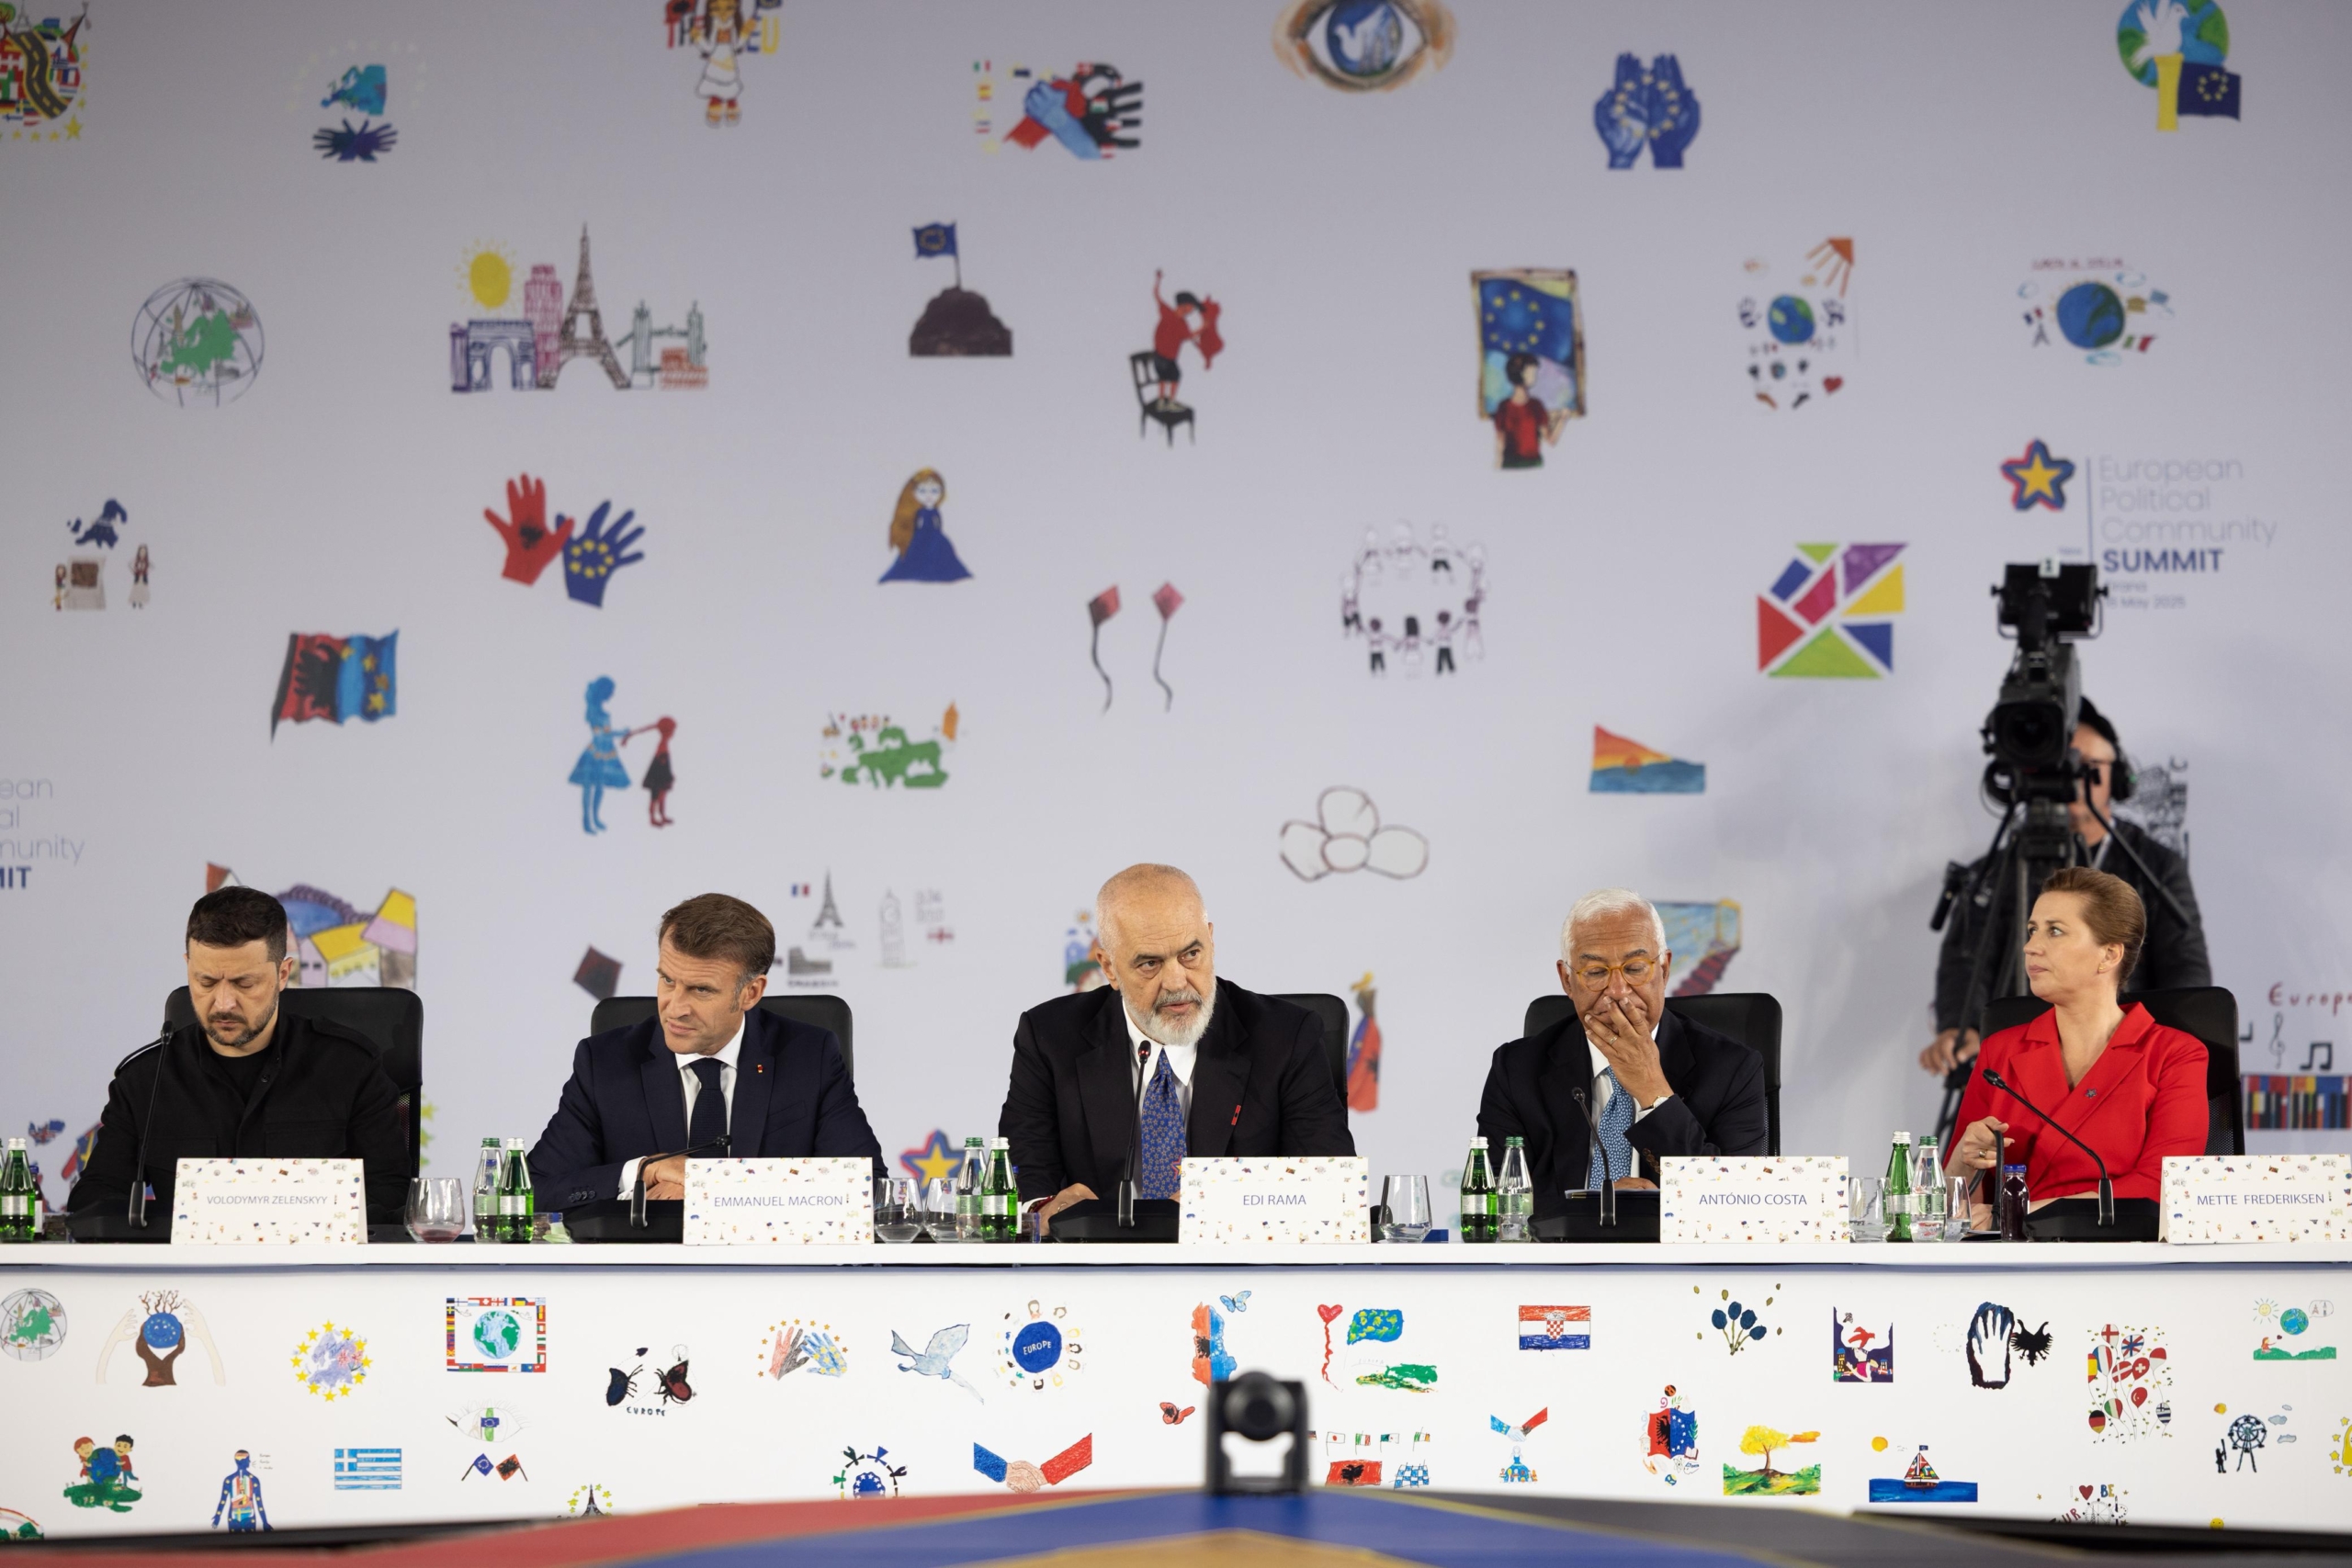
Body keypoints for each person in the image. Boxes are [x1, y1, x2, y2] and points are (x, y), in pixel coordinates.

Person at [1000, 863, 1353, 1228]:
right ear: (1109, 968)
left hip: (1233, 1258)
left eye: (1191, 955)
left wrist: (1226, 1202)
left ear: (1211, 941)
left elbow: (1328, 1189)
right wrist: (1043, 1209)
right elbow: (1024, 1173)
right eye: (1149, 964)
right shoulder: (1050, 1038)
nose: (1176, 981)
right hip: (1097, 1258)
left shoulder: (1286, 1037)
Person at [66, 887, 410, 1226]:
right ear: (188, 968)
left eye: (245, 984)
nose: (224, 1003)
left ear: (282, 975)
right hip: (188, 1262)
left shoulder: (350, 1068)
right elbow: (94, 1200)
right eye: (206, 981)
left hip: (314, 1260)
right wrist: (176, 1225)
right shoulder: (145, 1082)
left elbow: (391, 1194)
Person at [527, 893, 884, 1209]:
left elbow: (869, 1189)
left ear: (751, 993)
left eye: (701, 990)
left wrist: (706, 1189)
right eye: (667, 980)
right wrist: (642, 1172)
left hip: (767, 1262)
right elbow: (532, 1192)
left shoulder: (809, 1057)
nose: (674, 1008)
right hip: (646, 1263)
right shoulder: (605, 1062)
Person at [1921, 697, 2211, 1077]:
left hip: (2126, 1065)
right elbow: (1968, 960)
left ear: (2117, 778)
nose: (2070, 779)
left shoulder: (2154, 866)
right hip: (2017, 1067)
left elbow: (2185, 967)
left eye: (2085, 766)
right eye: (2059, 766)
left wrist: (2156, 1050)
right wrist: (1962, 1027)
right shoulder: (1998, 871)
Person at [1477, 888, 1769, 1219]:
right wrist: (1593, 1210)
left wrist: (1652, 1090)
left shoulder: (1732, 1069)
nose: (1617, 991)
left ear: (1664, 969)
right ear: (1567, 980)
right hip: (1562, 1253)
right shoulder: (1516, 1070)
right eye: (1596, 972)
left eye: (1635, 968)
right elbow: (1494, 1206)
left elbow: (1739, 1206)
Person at [1945, 867, 2209, 1207]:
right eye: (2032, 930)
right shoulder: (2000, 1051)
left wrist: (2028, 1213)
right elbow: (1953, 1207)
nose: (2030, 947)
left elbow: (2165, 1185)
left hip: (2120, 1241)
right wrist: (1963, 1161)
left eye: (2055, 931)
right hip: (2012, 1240)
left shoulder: (2175, 1054)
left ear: (2109, 955)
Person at [877, 468, 971, 583]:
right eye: (922, 491)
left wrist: (937, 533)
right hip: (920, 536)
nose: (929, 495)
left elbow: (938, 523)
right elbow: (916, 523)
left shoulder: (935, 511)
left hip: (935, 536)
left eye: (934, 491)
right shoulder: (919, 512)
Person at [568, 676, 632, 836]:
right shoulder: (593, 710)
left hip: (605, 751)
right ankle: (586, 820)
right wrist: (620, 733)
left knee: (599, 786)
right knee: (589, 787)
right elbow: (602, 734)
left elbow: (606, 732)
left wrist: (621, 733)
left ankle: (595, 818)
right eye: (610, 692)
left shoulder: (597, 709)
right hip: (596, 752)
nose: (612, 695)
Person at [1491, 353, 1569, 469]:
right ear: (1521, 373)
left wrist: (1563, 419)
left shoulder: (1536, 406)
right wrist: (1497, 466)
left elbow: (1550, 440)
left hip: (1534, 464)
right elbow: (1500, 440)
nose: (1534, 375)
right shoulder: (1504, 407)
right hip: (1510, 464)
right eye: (1531, 372)